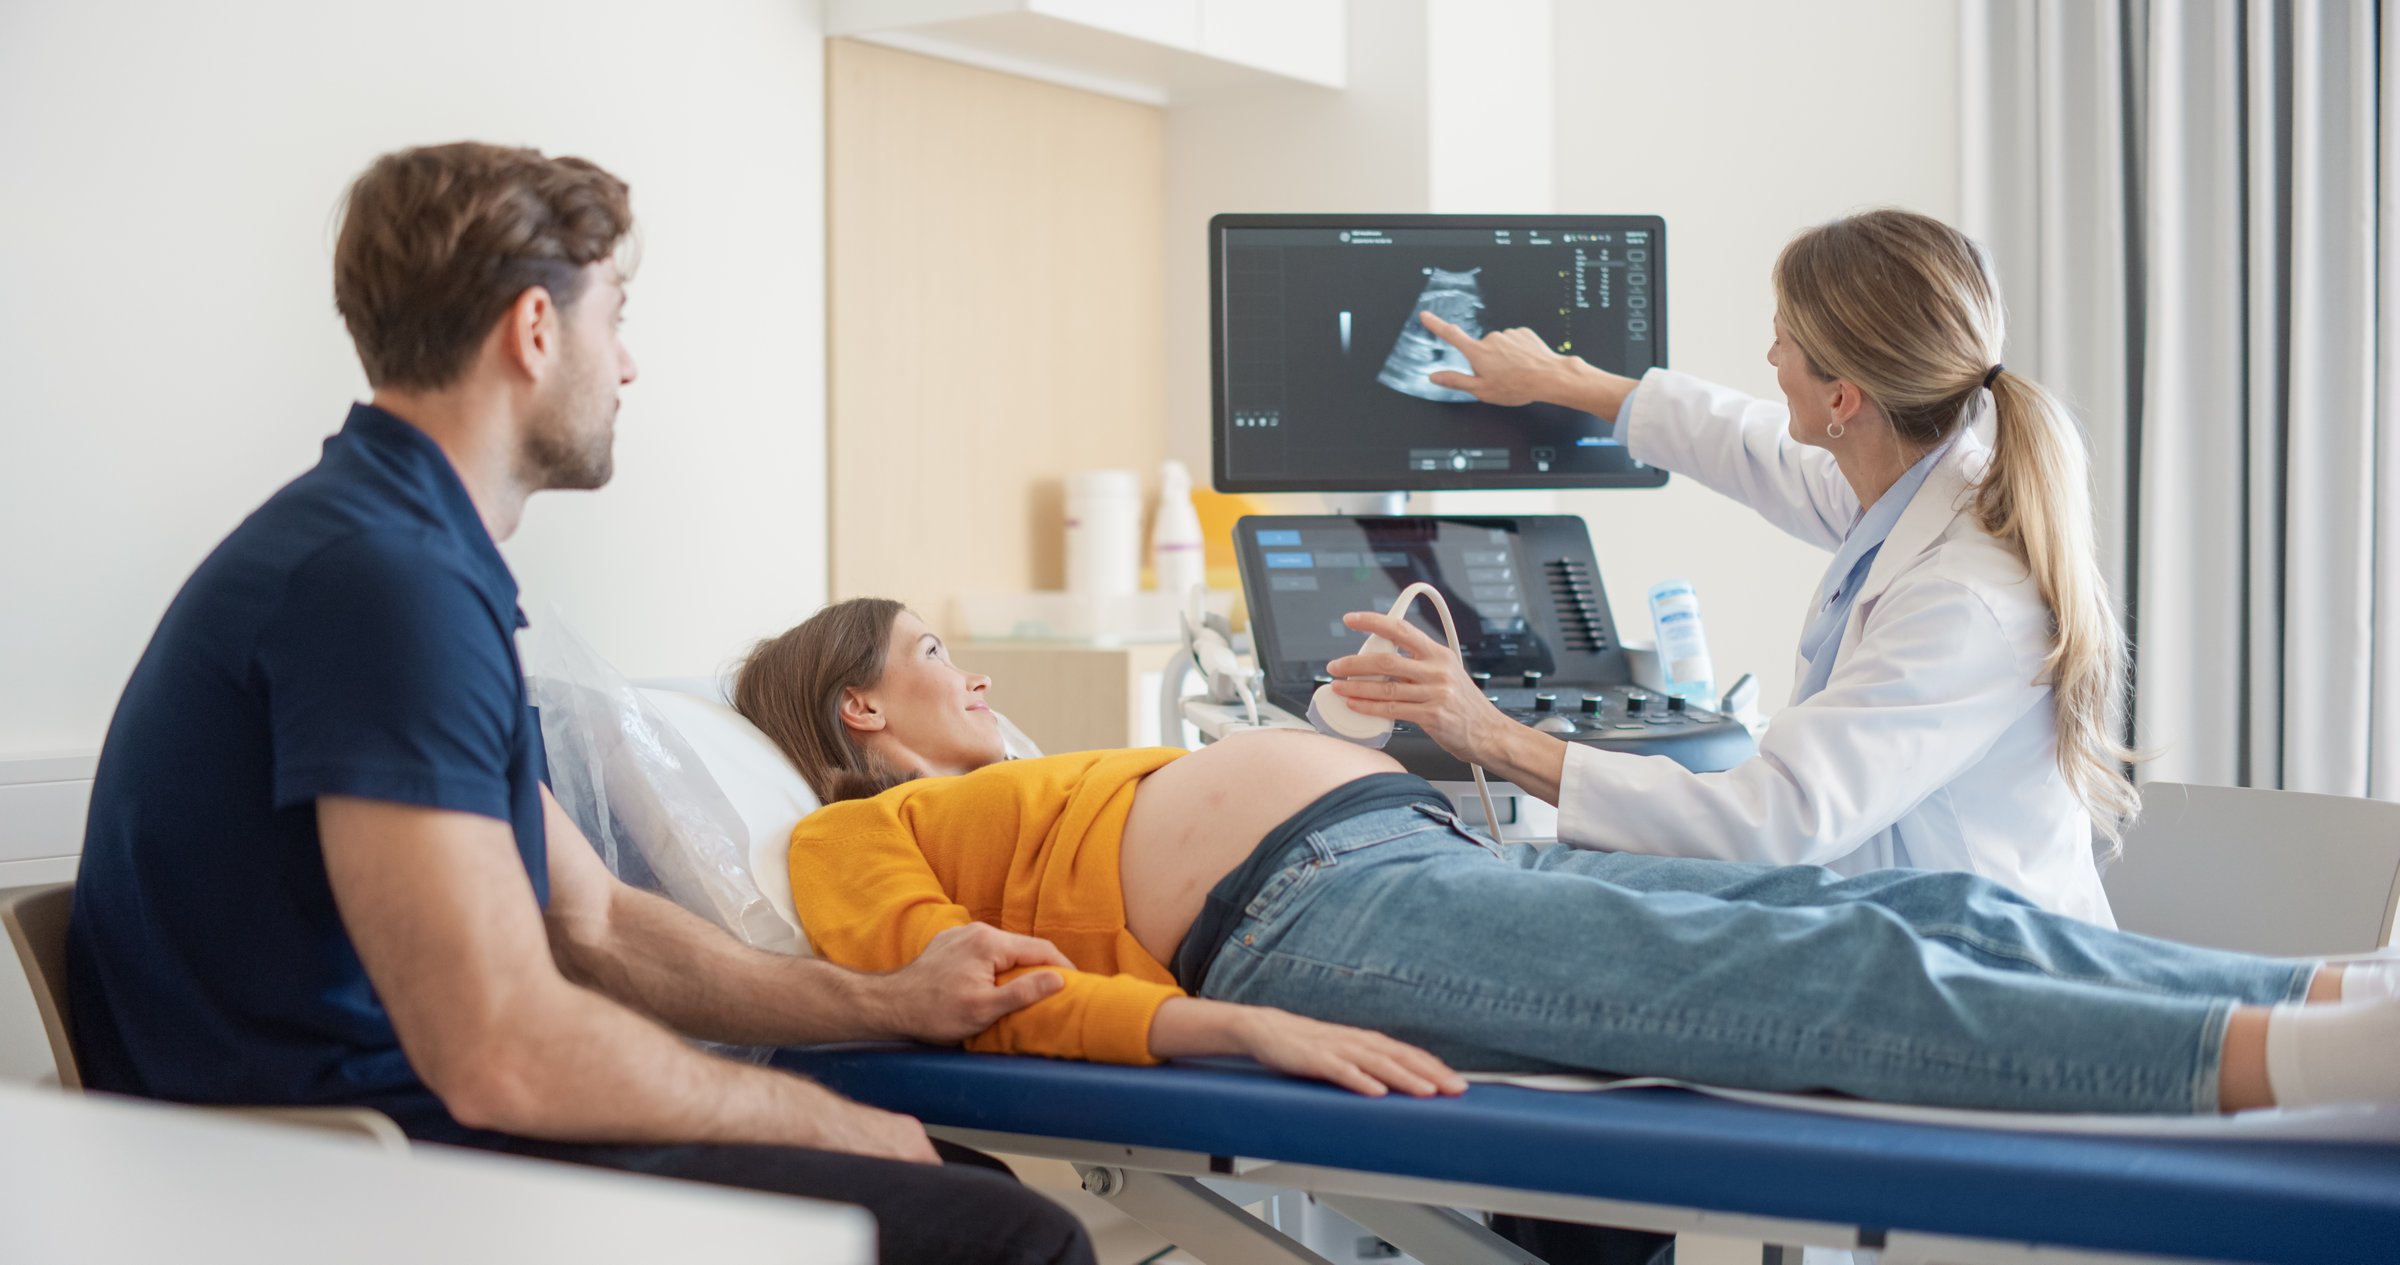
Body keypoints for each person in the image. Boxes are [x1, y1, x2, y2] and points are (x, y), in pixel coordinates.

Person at [65, 143, 1095, 1265]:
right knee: (1009, 1238)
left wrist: (882, 998)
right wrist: (815, 1112)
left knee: (966, 1188)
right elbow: (499, 1045)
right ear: (535, 329)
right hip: (340, 1177)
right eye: (618, 316)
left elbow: (592, 916)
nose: (630, 365)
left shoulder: (400, 556)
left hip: (390, 1139)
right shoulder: (380, 586)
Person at [732, 598, 2400, 1122]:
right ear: (860, 706)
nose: (977, 669)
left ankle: (2325, 990)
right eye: (936, 648)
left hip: (1422, 854)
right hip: (1310, 926)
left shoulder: (1050, 778)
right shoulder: (848, 829)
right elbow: (960, 1000)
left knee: (1914, 903)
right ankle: (2315, 1062)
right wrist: (1219, 1029)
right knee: (1817, 973)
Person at [1327, 209, 2131, 928]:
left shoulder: (1963, 596)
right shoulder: (1917, 481)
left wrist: (1488, 733)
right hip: (1901, 917)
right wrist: (1560, 381)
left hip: (1982, 964)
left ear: (1843, 401)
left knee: (1545, 904)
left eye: (1783, 337)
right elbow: (1752, 448)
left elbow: (1775, 819)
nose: (1771, 354)